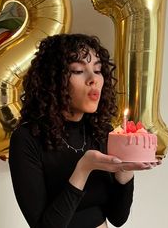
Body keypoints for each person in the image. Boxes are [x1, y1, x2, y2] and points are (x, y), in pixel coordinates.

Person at [9, 33, 160, 228]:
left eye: (97, 70)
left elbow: (118, 218)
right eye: (79, 70)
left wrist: (125, 170)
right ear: (53, 80)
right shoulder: (27, 139)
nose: (93, 79)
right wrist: (83, 169)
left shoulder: (101, 132)